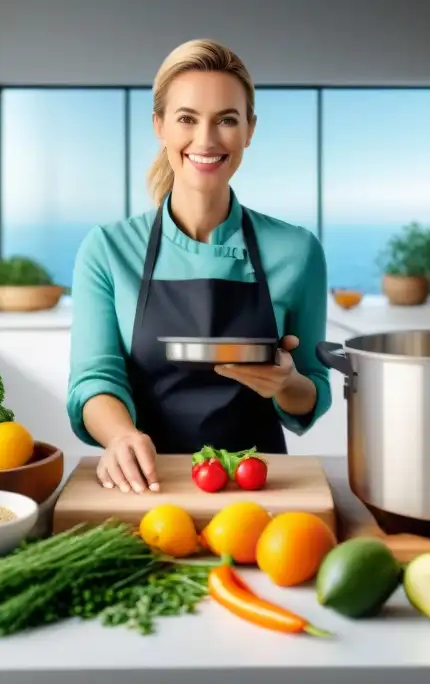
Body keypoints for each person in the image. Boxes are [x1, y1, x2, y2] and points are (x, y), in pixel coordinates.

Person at [67, 38, 332, 494]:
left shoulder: (298, 250)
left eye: (226, 120)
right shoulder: (108, 249)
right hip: (146, 485)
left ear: (249, 129)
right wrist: (120, 436)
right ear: (160, 126)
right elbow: (95, 379)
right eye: (187, 119)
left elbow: (314, 387)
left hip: (257, 489)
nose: (206, 140)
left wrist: (286, 383)